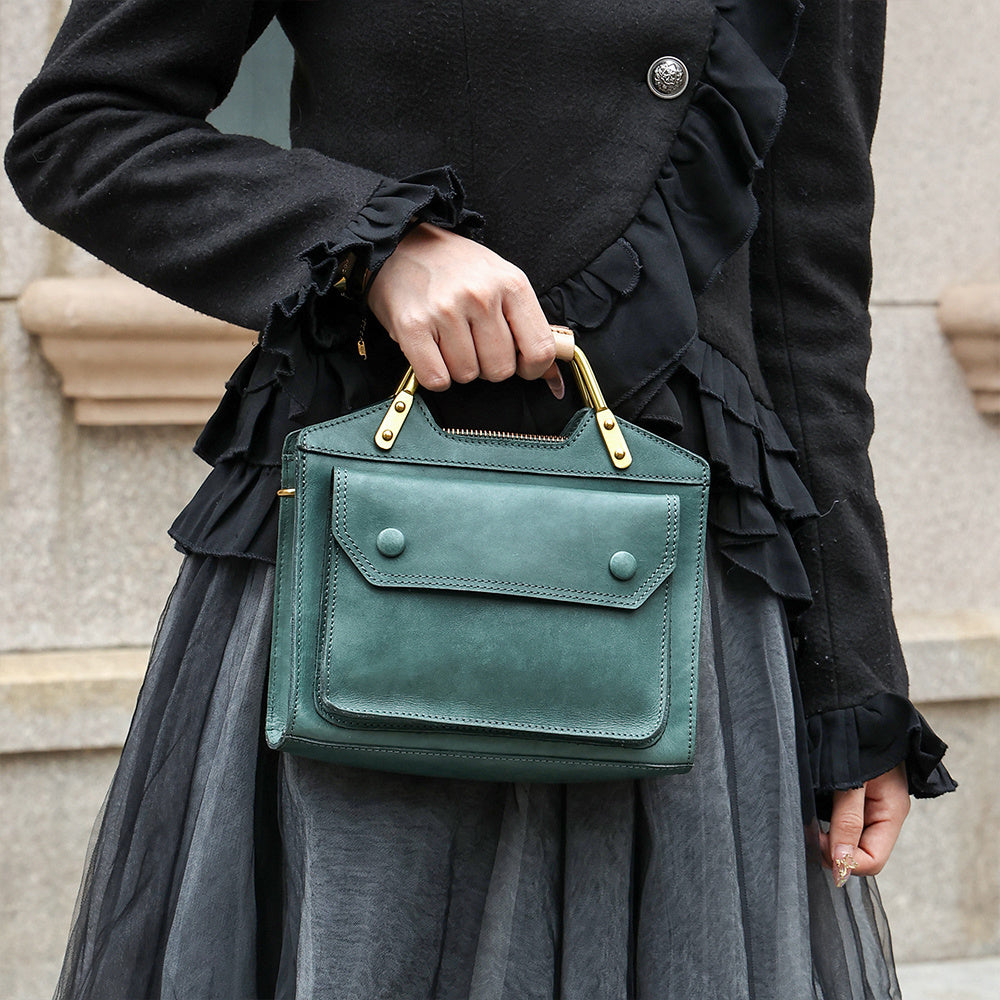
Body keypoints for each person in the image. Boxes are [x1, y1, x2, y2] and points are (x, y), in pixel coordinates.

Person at [6, 0, 957, 997]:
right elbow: (83, 125)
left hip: (685, 608)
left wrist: (850, 680)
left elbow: (807, 295)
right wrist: (374, 244)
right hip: (365, 574)